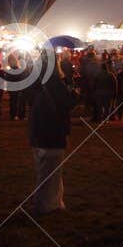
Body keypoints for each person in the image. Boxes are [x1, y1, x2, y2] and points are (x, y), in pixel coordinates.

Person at [26, 69, 75, 214]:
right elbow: (65, 106)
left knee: (47, 171)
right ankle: (45, 204)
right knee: (50, 172)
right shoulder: (56, 85)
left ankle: (54, 202)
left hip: (38, 133)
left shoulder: (35, 83)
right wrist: (74, 96)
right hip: (52, 134)